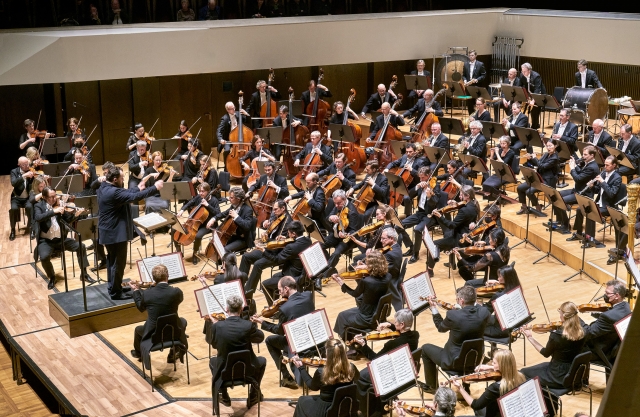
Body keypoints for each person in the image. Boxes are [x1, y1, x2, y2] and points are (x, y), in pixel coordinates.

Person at [98, 165, 163, 300]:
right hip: (115, 234)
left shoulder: (104, 186)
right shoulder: (114, 193)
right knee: (118, 263)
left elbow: (128, 192)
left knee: (112, 262)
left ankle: (114, 287)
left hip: (108, 232)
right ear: (115, 179)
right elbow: (135, 197)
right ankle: (116, 293)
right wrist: (155, 188)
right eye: (122, 178)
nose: (123, 180)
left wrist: (137, 187)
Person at [420, 285, 491, 392]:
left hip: (453, 362)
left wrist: (434, 308)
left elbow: (441, 328)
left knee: (425, 348)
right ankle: (466, 385)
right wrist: (462, 309)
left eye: (457, 299)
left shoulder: (453, 315)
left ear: (461, 301)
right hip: (476, 360)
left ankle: (432, 386)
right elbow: (476, 312)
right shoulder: (484, 313)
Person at [250, 276, 314, 390]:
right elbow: (296, 304)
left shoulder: (285, 308)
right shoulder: (308, 295)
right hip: (312, 339)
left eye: (280, 291)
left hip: (295, 343)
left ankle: (286, 376)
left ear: (286, 289)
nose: (279, 295)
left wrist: (261, 321)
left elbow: (279, 331)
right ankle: (286, 374)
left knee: (270, 341)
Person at [352, 310, 420, 416]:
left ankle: (369, 410)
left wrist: (363, 345)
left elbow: (375, 360)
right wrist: (390, 325)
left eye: (395, 321)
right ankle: (381, 403)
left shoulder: (392, 344)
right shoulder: (415, 335)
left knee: (360, 377)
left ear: (402, 324)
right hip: (405, 370)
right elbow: (403, 332)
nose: (394, 322)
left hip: (390, 374)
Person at [206, 294, 265, 409]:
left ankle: (224, 395)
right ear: (241, 309)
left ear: (227, 309)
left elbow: (214, 345)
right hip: (247, 369)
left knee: (212, 361)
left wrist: (215, 325)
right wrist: (253, 325)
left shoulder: (217, 326)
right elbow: (260, 338)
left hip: (225, 371)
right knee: (262, 361)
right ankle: (253, 395)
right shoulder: (248, 325)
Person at [34, 187, 93, 289]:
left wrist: (75, 215)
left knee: (81, 246)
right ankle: (52, 277)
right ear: (44, 197)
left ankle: (84, 274)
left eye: (55, 196)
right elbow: (38, 218)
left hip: (61, 239)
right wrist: (54, 211)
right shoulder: (39, 206)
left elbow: (68, 219)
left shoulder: (60, 205)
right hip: (46, 241)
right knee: (43, 257)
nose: (54, 198)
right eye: (51, 197)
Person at [130, 264, 188, 364]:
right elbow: (178, 299)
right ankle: (173, 352)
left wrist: (136, 291)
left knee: (138, 329)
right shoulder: (176, 292)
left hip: (154, 335)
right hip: (173, 332)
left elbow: (141, 308)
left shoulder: (147, 294)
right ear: (167, 276)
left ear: (153, 278)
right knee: (183, 321)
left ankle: (138, 353)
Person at [520, 301, 586, 388]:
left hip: (557, 376)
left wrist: (530, 337)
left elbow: (545, 353)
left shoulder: (557, 336)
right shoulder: (583, 332)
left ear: (563, 316)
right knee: (541, 366)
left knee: (523, 372)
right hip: (574, 373)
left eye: (560, 313)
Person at [291, 339, 357, 417]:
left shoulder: (321, 372)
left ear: (327, 353)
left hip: (325, 410)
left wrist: (301, 368)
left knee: (302, 400)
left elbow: (312, 386)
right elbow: (357, 378)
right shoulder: (351, 367)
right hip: (345, 406)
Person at [451, 349, 526, 417]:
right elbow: (508, 368)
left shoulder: (496, 387)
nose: (491, 364)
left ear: (501, 366)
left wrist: (460, 388)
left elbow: (475, 405)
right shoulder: (520, 376)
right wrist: (489, 367)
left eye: (494, 363)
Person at [332, 251, 390, 339]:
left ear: (372, 265)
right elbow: (369, 285)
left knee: (341, 316)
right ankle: (356, 343)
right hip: (377, 314)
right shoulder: (388, 276)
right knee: (344, 315)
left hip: (365, 317)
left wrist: (340, 282)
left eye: (368, 263)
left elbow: (355, 294)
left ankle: (350, 343)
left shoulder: (367, 281)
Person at [427, 185, 480, 278]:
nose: (459, 196)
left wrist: (440, 216)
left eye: (461, 195)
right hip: (466, 235)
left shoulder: (464, 210)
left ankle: (430, 270)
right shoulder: (474, 204)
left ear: (467, 196)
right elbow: (465, 210)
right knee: (446, 235)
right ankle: (451, 261)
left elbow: (452, 225)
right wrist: (456, 203)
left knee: (434, 244)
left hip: (458, 239)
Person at [256, 221, 312, 302]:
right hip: (301, 272)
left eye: (289, 233)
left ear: (293, 234)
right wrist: (286, 239)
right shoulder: (308, 240)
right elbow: (297, 244)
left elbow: (277, 260)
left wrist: (264, 251)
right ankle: (279, 303)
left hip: (292, 276)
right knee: (275, 276)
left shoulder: (291, 247)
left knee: (264, 284)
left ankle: (273, 307)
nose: (288, 235)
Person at [579, 156, 623, 250]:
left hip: (609, 206)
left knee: (591, 213)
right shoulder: (603, 173)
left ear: (614, 165)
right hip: (599, 202)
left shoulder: (617, 178)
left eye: (607, 165)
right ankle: (583, 235)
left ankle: (590, 239)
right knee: (582, 209)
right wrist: (592, 186)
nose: (605, 166)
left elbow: (611, 194)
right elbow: (597, 191)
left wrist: (603, 182)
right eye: (604, 164)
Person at [582, 279, 631, 364]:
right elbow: (613, 315)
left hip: (602, 351)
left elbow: (589, 333)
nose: (605, 295)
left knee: (568, 346)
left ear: (617, 296)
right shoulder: (626, 306)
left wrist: (576, 319)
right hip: (614, 347)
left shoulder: (607, 316)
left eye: (608, 293)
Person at [554, 146, 599, 235]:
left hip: (583, 194)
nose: (583, 156)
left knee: (560, 200)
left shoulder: (592, 167)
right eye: (583, 154)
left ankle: (566, 225)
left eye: (585, 154)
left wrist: (572, 168)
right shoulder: (588, 163)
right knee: (556, 195)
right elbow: (581, 173)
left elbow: (578, 178)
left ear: (592, 155)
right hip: (577, 190)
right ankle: (562, 220)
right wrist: (574, 165)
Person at [400, 166, 440, 263]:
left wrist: (429, 195)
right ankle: (411, 247)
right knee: (399, 226)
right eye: (420, 177)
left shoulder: (435, 186)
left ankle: (415, 254)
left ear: (428, 176)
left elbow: (435, 203)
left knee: (417, 230)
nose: (421, 179)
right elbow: (408, 196)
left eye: (423, 178)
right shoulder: (420, 184)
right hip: (420, 213)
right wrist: (416, 187)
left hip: (430, 215)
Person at [321, 189, 364, 278]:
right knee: (319, 245)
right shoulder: (338, 205)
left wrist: (345, 234)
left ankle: (323, 274)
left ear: (344, 200)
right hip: (336, 235)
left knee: (336, 254)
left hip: (347, 240)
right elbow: (328, 217)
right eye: (335, 203)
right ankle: (330, 268)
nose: (336, 205)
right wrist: (331, 217)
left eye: (338, 203)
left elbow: (354, 231)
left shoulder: (352, 212)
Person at [174, 183, 221, 264]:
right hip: (195, 223)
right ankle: (179, 251)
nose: (200, 193)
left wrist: (208, 205)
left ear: (208, 191)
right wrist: (182, 210)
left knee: (198, 235)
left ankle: (195, 254)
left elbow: (218, 213)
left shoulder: (214, 200)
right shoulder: (199, 197)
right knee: (175, 229)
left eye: (202, 191)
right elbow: (189, 203)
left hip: (208, 225)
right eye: (199, 191)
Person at [517, 139, 559, 215]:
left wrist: (534, 158)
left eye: (550, 146)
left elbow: (542, 166)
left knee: (529, 191)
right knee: (520, 188)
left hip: (547, 181)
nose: (548, 147)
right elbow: (538, 164)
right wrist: (531, 159)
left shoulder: (555, 158)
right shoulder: (546, 154)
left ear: (555, 146)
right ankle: (524, 207)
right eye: (547, 146)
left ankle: (538, 207)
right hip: (538, 178)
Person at [383, 142, 426, 216]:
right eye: (407, 152)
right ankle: (390, 212)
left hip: (413, 185)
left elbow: (421, 175)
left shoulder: (421, 161)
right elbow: (393, 163)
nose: (408, 153)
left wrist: (411, 169)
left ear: (415, 152)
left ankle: (408, 216)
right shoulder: (404, 157)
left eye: (410, 152)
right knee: (386, 190)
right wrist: (387, 169)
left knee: (406, 198)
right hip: (400, 183)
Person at [207, 187, 254, 253]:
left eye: (231, 198)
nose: (229, 199)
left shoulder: (248, 210)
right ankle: (221, 262)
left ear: (238, 199)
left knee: (225, 250)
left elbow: (247, 226)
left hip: (242, 239)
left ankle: (228, 262)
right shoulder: (234, 206)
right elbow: (224, 213)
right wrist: (213, 219)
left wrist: (236, 217)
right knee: (218, 245)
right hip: (232, 235)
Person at [482, 265, 522, 339]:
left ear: (506, 278)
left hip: (500, 331)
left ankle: (491, 349)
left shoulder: (498, 295)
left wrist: (477, 304)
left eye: (500, 277)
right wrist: (498, 282)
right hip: (515, 327)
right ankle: (493, 348)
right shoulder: (517, 289)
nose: (498, 278)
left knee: (473, 327)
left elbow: (486, 311)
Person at [217, 102, 250, 170]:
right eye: (231, 109)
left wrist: (246, 114)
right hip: (228, 139)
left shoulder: (238, 114)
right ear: (227, 110)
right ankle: (226, 168)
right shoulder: (224, 118)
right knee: (227, 150)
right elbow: (219, 131)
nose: (234, 109)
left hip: (239, 139)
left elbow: (248, 121)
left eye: (234, 107)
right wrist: (220, 139)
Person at [10, 157, 35, 241]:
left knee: (30, 207)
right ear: (19, 165)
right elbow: (14, 183)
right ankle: (13, 230)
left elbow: (35, 183)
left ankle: (32, 229)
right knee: (13, 209)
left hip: (27, 198)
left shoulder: (31, 171)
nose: (27, 166)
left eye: (28, 163)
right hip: (16, 198)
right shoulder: (14, 172)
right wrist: (24, 176)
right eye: (24, 165)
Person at [482, 136, 515, 200]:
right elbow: (491, 161)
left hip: (507, 174)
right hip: (499, 173)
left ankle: (499, 197)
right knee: (485, 183)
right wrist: (492, 153)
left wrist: (497, 153)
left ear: (508, 143)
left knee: (493, 185)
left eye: (504, 143)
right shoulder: (500, 151)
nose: (502, 145)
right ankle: (494, 198)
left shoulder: (511, 152)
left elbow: (503, 163)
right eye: (501, 143)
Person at [518, 63, 546, 129]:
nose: (523, 73)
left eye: (524, 71)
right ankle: (522, 125)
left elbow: (537, 89)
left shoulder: (536, 76)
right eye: (522, 71)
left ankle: (534, 126)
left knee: (534, 110)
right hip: (529, 94)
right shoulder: (522, 75)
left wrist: (533, 100)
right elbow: (520, 86)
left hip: (539, 94)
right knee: (520, 107)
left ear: (529, 71)